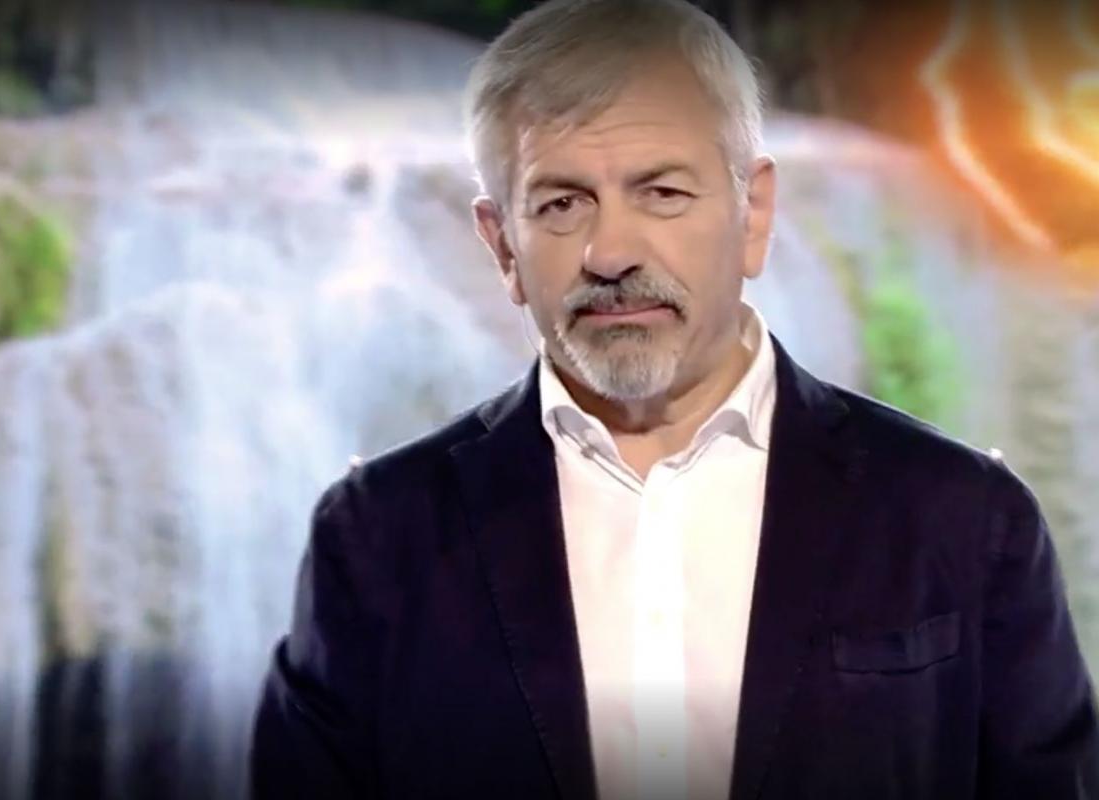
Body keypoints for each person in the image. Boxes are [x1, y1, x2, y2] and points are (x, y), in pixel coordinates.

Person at [249, 1, 1099, 798]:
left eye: (662, 192)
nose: (611, 251)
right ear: (502, 245)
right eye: (561, 203)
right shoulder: (376, 540)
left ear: (753, 214)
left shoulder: (966, 520)